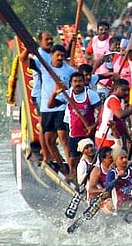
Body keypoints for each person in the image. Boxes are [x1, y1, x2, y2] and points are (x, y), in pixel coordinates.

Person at [31, 43, 78, 172]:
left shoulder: (69, 70)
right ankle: (62, 167)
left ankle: (72, 170)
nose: (60, 58)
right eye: (57, 55)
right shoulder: (44, 67)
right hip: (47, 108)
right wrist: (27, 47)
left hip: (62, 107)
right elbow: (24, 60)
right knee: (49, 141)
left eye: (62, 55)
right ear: (52, 55)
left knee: (63, 138)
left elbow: (76, 86)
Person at [49, 71, 103, 178]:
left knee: (92, 157)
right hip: (74, 133)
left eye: (80, 81)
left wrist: (93, 126)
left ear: (84, 83)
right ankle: (74, 180)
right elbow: (50, 105)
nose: (77, 84)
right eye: (75, 82)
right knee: (73, 160)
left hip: (89, 132)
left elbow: (101, 112)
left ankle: (94, 178)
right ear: (71, 83)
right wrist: (54, 93)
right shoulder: (67, 94)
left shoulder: (91, 94)